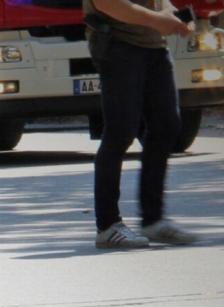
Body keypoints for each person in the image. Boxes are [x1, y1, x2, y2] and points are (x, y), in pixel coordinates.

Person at [84, 0, 197, 249]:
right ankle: (108, 226)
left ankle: (153, 221)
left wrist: (172, 15)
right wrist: (158, 21)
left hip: (155, 47)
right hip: (118, 46)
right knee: (120, 131)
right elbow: (108, 4)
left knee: (167, 125)